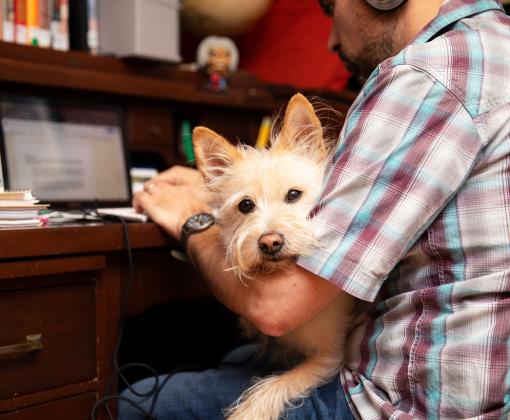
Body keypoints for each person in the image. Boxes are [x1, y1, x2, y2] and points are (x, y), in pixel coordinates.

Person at [121, 0, 510, 418]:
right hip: (484, 388)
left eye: (330, 8)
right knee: (233, 358)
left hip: (405, 403)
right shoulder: (494, 47)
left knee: (136, 399)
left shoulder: (425, 77)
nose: (331, 39)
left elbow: (276, 308)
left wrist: (192, 220)